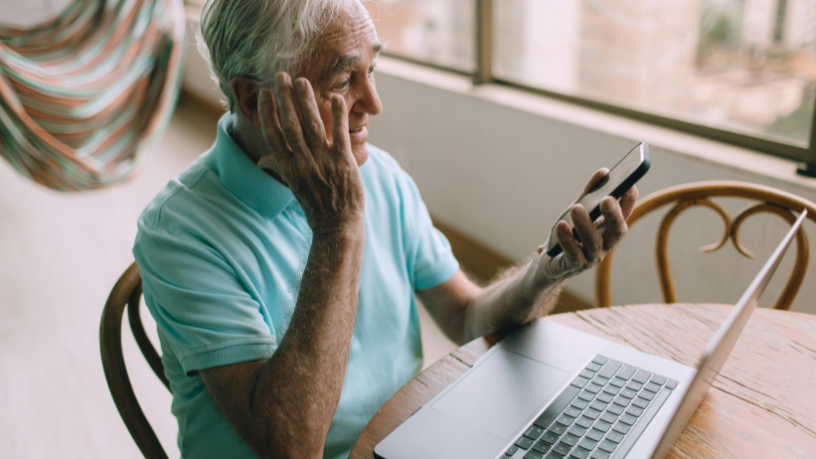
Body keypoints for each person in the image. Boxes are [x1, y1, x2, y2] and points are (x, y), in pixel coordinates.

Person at [132, 0, 638, 458]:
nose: (374, 103)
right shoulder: (177, 231)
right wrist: (339, 227)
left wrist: (546, 272)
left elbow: (464, 316)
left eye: (372, 69)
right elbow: (291, 447)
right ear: (252, 97)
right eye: (343, 79)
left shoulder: (384, 178)